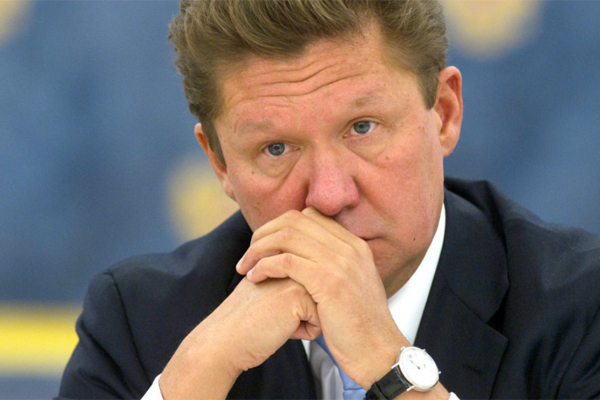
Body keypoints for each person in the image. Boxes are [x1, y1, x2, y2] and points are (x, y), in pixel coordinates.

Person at [57, 0, 600, 399]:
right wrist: (196, 375)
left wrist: (389, 365)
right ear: (220, 165)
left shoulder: (581, 308)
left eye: (362, 127)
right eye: (275, 149)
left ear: (444, 113)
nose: (330, 195)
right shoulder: (138, 321)